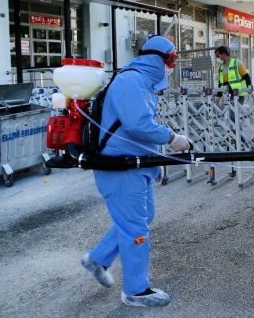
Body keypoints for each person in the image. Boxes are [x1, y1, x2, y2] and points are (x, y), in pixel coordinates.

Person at [80, 35, 191, 308]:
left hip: (134, 165)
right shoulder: (131, 81)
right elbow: (138, 125)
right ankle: (136, 290)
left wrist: (157, 161)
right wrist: (171, 138)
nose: (172, 66)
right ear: (156, 58)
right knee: (135, 227)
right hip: (119, 168)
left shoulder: (141, 82)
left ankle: (97, 259)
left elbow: (136, 132)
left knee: (142, 218)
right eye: (171, 60)